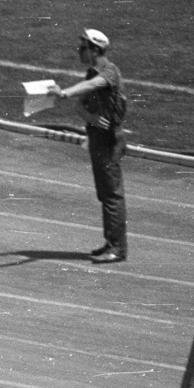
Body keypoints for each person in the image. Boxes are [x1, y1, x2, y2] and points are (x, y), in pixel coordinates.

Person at [49, 28, 128, 264]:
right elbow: (80, 106)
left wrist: (63, 93)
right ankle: (111, 242)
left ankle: (117, 248)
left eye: (83, 48)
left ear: (95, 50)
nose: (79, 52)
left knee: (113, 195)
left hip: (109, 140)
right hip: (97, 138)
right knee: (105, 194)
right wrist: (91, 118)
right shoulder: (91, 73)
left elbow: (93, 86)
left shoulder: (109, 72)